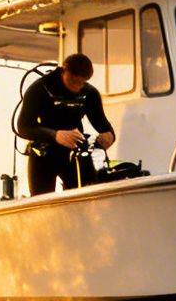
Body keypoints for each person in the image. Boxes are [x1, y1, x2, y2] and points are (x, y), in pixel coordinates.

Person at [15, 53, 117, 195]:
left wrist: (109, 136)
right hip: (44, 155)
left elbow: (102, 125)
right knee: (43, 203)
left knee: (88, 198)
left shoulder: (89, 93)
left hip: (73, 154)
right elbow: (23, 127)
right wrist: (55, 135)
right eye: (72, 81)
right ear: (63, 71)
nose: (76, 87)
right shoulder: (40, 88)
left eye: (81, 83)